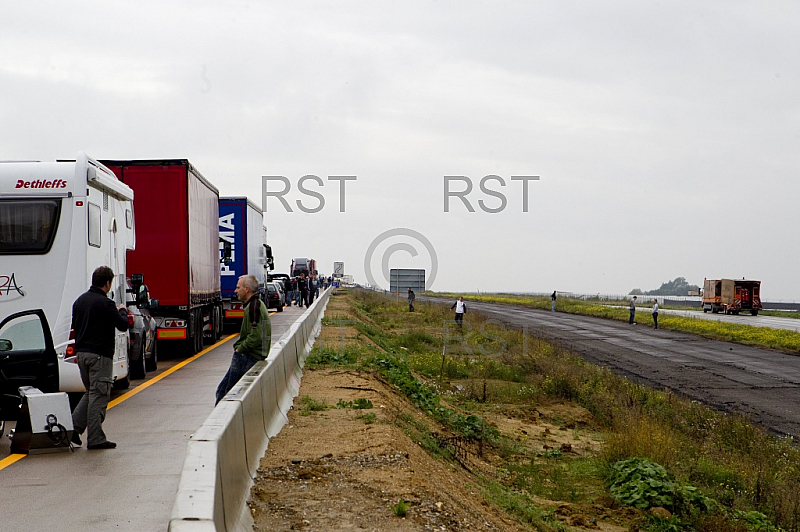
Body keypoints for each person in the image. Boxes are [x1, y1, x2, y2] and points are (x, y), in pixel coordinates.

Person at [70, 266, 130, 450]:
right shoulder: (105, 303)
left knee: (91, 392)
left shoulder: (79, 301)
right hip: (99, 356)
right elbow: (122, 325)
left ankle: (73, 429)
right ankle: (95, 438)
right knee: (99, 395)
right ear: (107, 283)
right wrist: (121, 310)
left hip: (82, 355)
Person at [215, 274, 271, 404]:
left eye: (238, 287)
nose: (235, 291)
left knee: (226, 393)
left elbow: (255, 336)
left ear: (246, 289)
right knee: (222, 390)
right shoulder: (256, 305)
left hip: (247, 357)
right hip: (250, 355)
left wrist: (240, 348)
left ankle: (222, 422)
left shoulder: (253, 307)